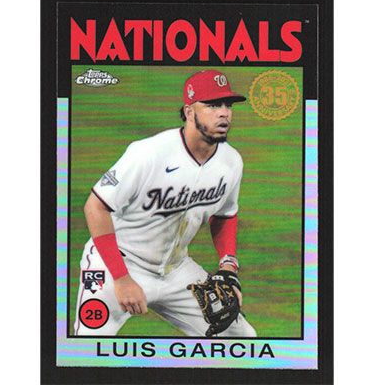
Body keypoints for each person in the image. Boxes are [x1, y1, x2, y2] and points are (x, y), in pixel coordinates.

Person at [74, 70, 257, 337]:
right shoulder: (148, 153)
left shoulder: (231, 161)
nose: (224, 113)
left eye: (228, 105)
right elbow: (95, 206)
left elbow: (225, 214)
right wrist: (121, 278)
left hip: (177, 270)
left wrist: (228, 266)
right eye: (212, 105)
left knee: (242, 339)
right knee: (89, 345)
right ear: (189, 112)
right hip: (118, 263)